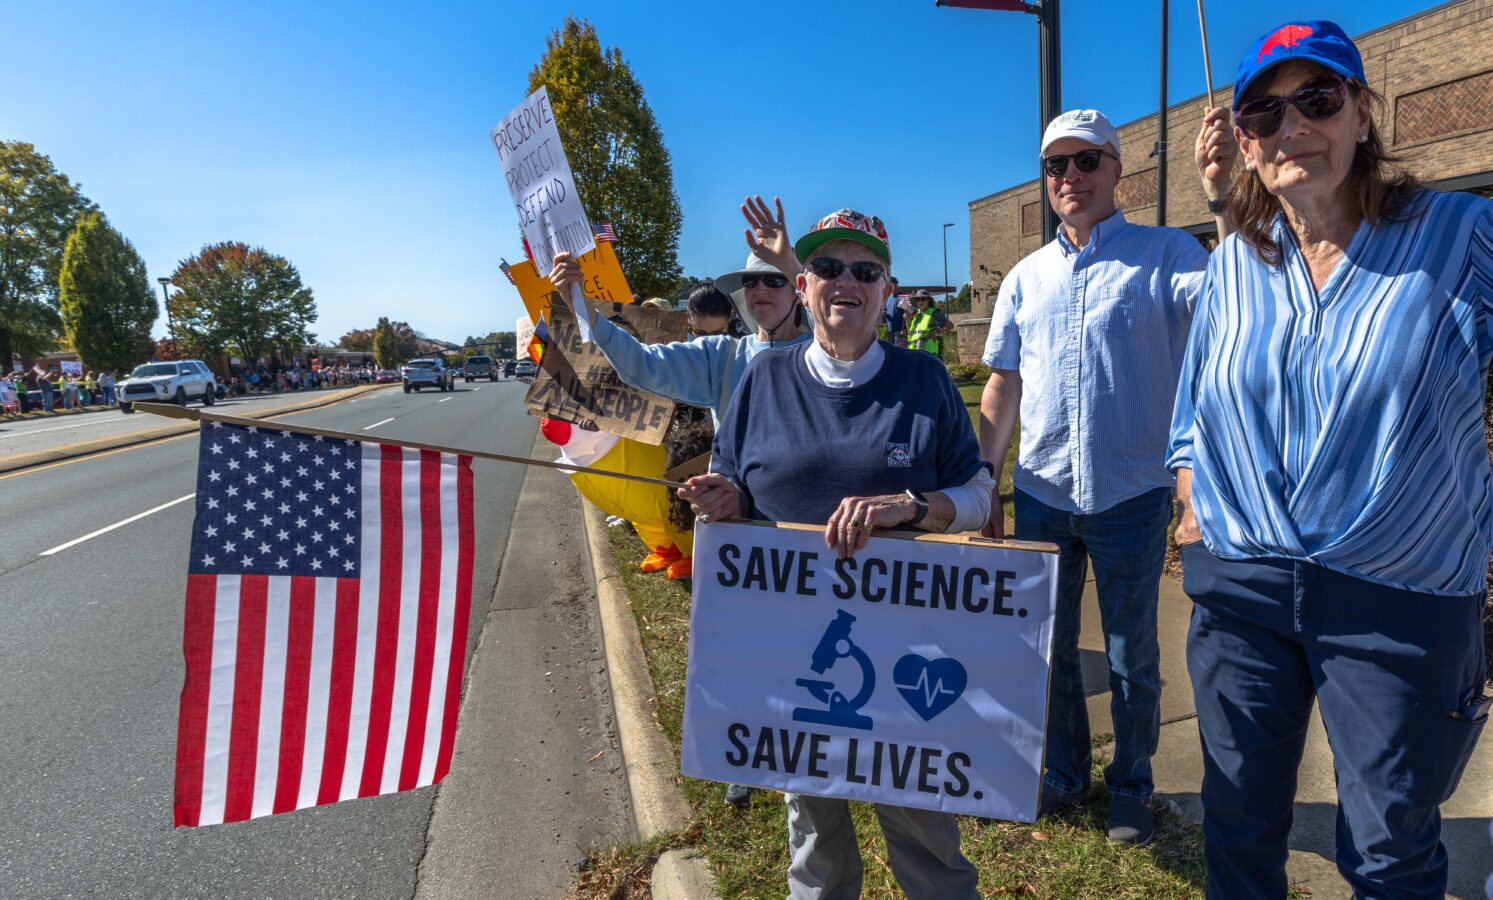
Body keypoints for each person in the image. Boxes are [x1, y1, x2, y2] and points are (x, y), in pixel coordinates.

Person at [1168, 20, 1491, 898]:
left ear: (1361, 113)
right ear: (1242, 140)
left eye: (1316, 98)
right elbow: (1191, 408)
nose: (1290, 127)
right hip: (1241, 589)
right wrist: (1189, 500)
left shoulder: (1458, 234)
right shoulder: (1234, 258)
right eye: (1263, 113)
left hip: (1399, 596)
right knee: (1236, 828)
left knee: (1389, 851)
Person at [680, 208, 995, 900]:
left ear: (887, 289)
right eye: (826, 268)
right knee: (814, 838)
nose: (843, 281)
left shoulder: (924, 382)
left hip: (909, 650)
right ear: (801, 284)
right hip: (793, 652)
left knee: (925, 835)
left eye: (864, 270)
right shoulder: (762, 381)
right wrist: (724, 499)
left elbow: (977, 492)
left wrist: (913, 506)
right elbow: (736, 486)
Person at [978, 105, 1234, 845]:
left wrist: (1221, 198)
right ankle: (1062, 771)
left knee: (1130, 653)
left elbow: (1238, 296)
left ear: (1118, 169)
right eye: (1056, 165)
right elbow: (1000, 386)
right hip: (1040, 491)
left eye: (1085, 161)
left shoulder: (1168, 255)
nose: (1070, 177)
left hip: (1132, 491)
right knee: (1046, 647)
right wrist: (983, 481)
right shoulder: (1025, 276)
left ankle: (1130, 781)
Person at [904, 290, 953, 355]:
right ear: (916, 302)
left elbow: (950, 325)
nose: (920, 301)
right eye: (918, 299)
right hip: (915, 353)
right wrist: (907, 320)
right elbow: (911, 333)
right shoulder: (916, 315)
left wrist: (937, 331)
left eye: (923, 299)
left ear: (927, 301)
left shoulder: (933, 313)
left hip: (928, 353)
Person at [883, 276, 906, 346]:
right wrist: (884, 313)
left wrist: (905, 328)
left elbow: (910, 312)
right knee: (891, 350)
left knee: (899, 350)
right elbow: (885, 311)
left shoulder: (903, 296)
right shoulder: (888, 297)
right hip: (889, 330)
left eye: (894, 285)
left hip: (899, 330)